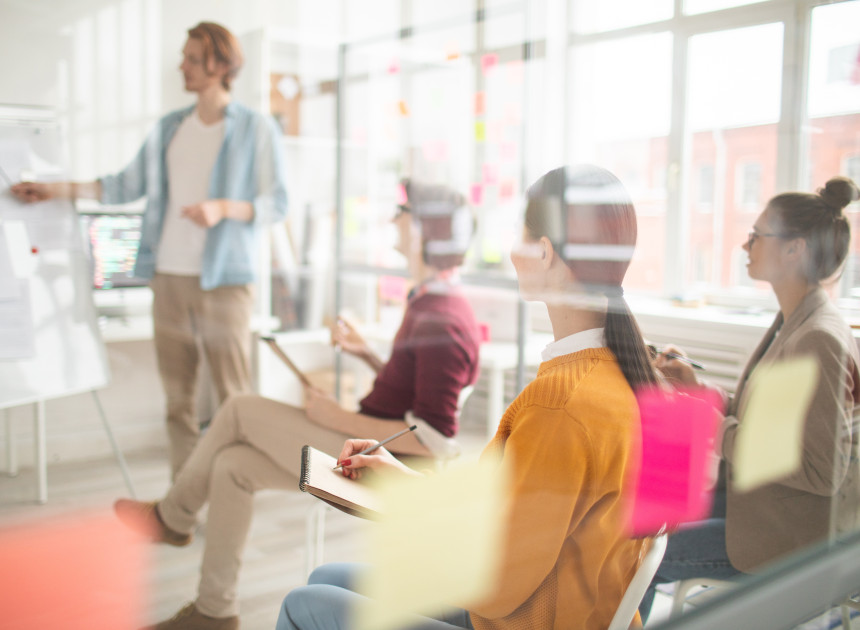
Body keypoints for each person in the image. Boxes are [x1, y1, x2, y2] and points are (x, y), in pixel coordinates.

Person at [276, 164, 660, 630]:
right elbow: (513, 516)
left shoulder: (560, 405)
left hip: (519, 615)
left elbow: (496, 585)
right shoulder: (621, 374)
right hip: (545, 600)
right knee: (327, 577)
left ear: (543, 251)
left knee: (304, 603)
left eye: (519, 233)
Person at [113, 179, 482, 630]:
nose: (394, 219)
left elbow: (437, 440)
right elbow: (417, 390)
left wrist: (336, 417)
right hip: (370, 445)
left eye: (403, 212)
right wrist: (366, 353)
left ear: (427, 231)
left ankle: (172, 516)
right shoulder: (429, 301)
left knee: (239, 409)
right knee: (232, 465)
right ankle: (215, 610)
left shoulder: (442, 315)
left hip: (386, 466)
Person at [10, 22, 289, 479]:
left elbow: (277, 203)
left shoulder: (256, 129)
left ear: (221, 65)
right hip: (169, 278)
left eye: (193, 59)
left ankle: (233, 494)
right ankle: (180, 506)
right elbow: (123, 185)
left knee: (235, 400)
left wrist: (222, 207)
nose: (182, 65)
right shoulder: (169, 129)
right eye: (184, 57)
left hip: (227, 284)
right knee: (177, 401)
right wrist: (53, 189)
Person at [638, 176, 860, 622]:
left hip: (790, 539)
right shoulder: (795, 320)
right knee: (642, 519)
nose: (745, 245)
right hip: (758, 505)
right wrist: (702, 391)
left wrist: (716, 426)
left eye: (758, 236)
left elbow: (822, 471)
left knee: (641, 554)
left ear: (794, 249)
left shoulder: (819, 339)